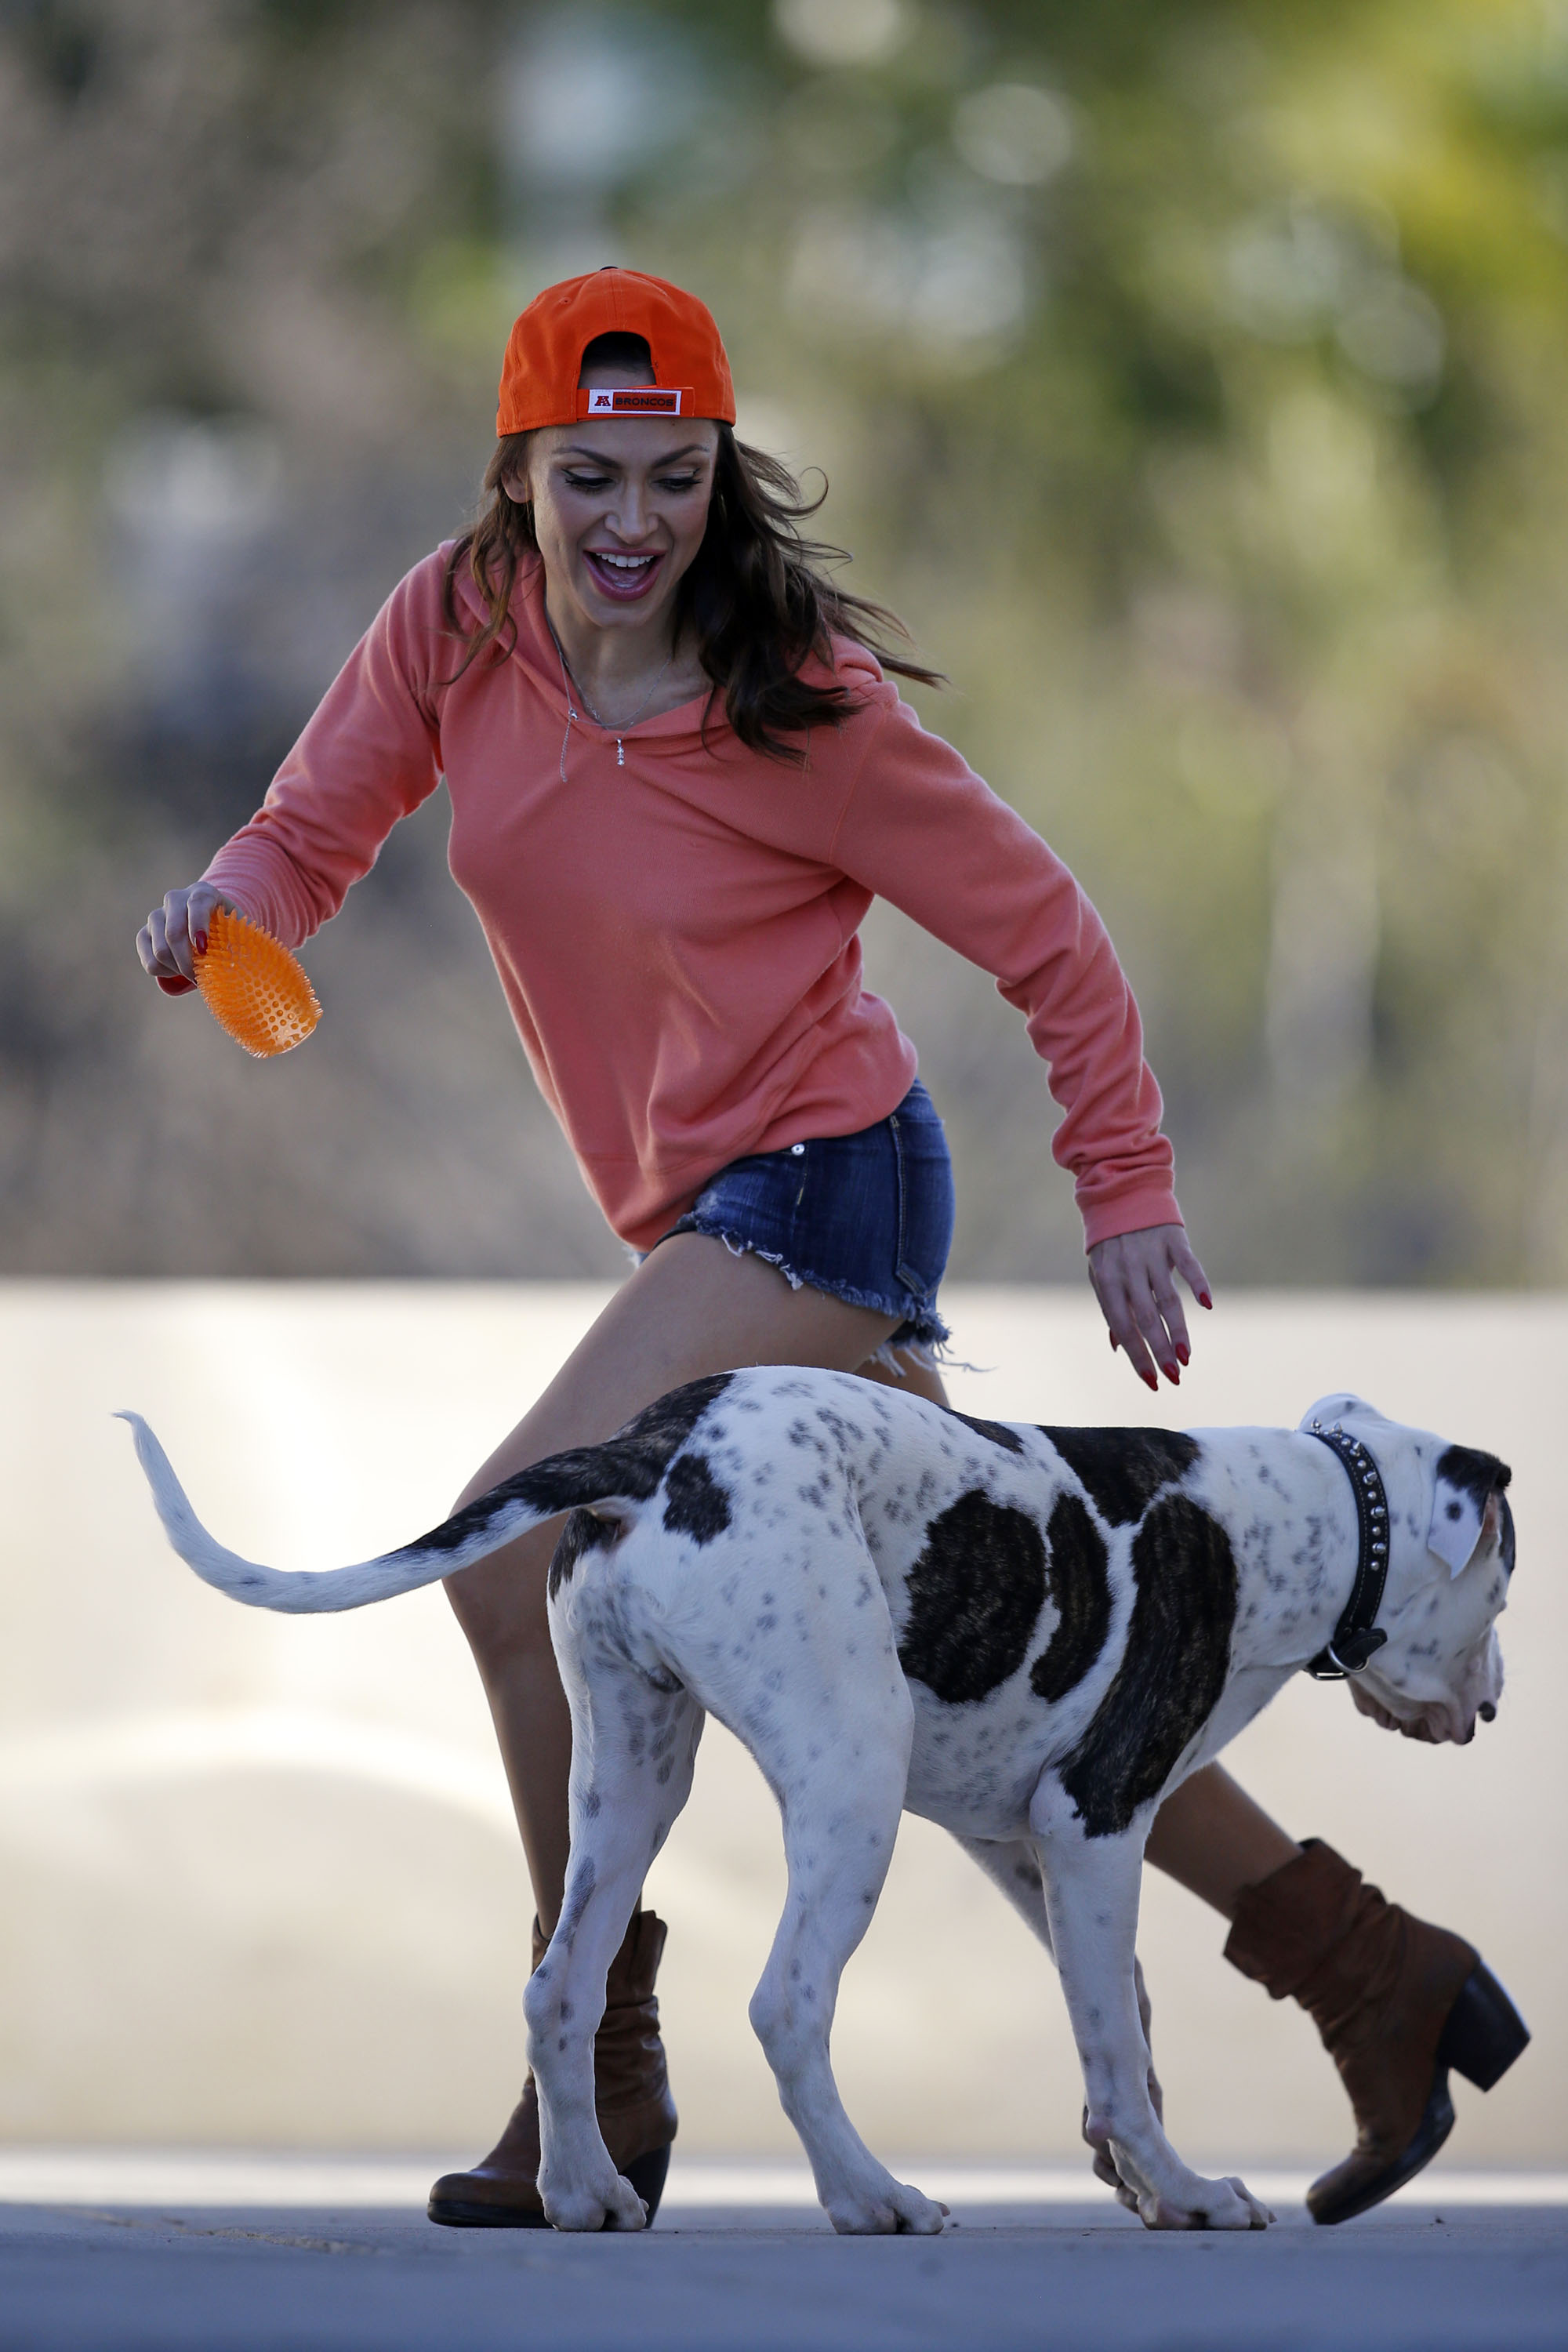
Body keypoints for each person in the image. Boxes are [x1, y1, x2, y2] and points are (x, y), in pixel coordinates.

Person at [136, 269, 1520, 2230]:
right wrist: (226, 909)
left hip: (823, 1188)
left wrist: (1126, 1186)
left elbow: (1050, 934)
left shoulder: (805, 707)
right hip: (706, 1208)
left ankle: (598, 2062)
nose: (632, 522)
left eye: (675, 477)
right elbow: (309, 830)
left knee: (515, 1555)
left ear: (722, 473)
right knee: (1029, 1672)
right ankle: (1378, 1978)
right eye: (588, 476)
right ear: (516, 471)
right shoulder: (455, 624)